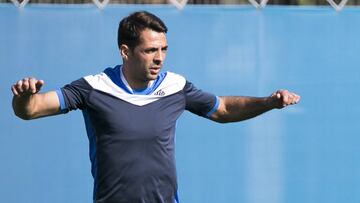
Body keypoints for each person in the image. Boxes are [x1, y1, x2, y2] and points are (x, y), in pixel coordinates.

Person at [11, 11, 300, 203]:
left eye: (163, 49)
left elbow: (222, 108)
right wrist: (24, 96)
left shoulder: (175, 86)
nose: (159, 58)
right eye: (150, 50)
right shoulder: (93, 87)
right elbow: (32, 109)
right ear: (125, 51)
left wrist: (269, 102)